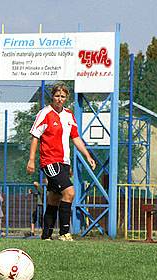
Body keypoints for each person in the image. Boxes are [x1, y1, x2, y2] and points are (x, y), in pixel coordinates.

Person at [26, 82, 96, 241]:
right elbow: (35, 137)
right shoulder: (45, 113)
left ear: (66, 98)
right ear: (52, 96)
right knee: (69, 192)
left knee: (54, 199)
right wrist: (31, 160)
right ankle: (65, 233)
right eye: (57, 96)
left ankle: (46, 236)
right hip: (50, 161)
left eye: (62, 96)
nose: (59, 99)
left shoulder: (69, 115)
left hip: (64, 162)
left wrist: (87, 155)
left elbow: (76, 138)